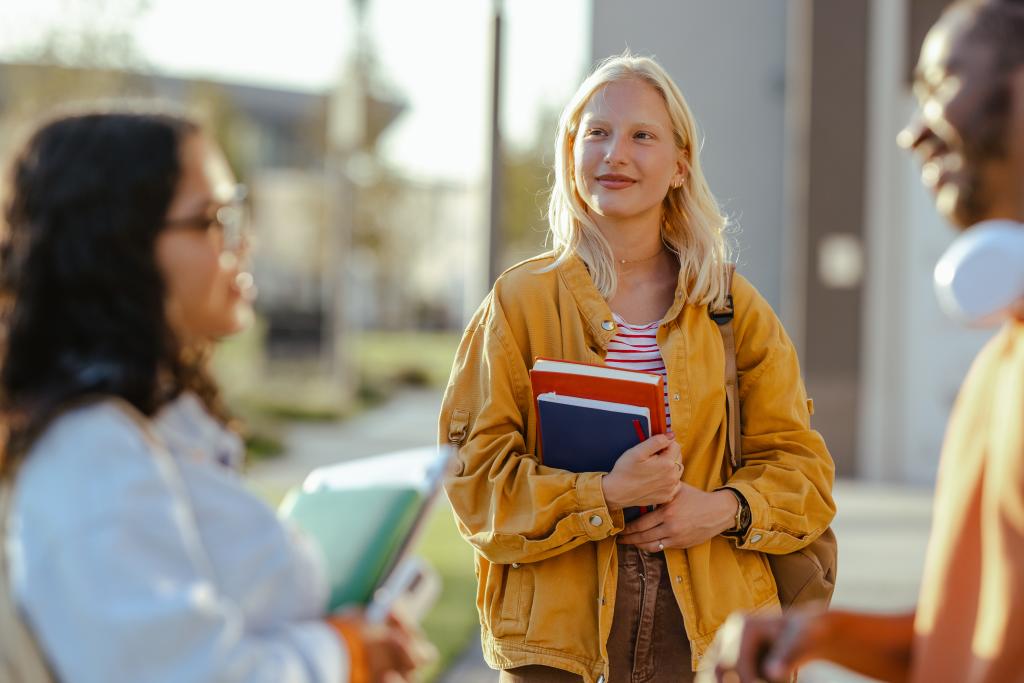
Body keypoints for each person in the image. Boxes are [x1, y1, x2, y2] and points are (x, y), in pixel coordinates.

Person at [438, 52, 836, 683]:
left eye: (641, 136)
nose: (614, 153)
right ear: (572, 152)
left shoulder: (731, 307)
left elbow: (803, 472)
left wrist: (723, 507)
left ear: (680, 165)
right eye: (596, 133)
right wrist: (604, 495)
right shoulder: (519, 304)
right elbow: (475, 484)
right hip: (556, 646)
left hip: (710, 636)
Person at [0, 107, 425, 682]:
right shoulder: (88, 451)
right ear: (118, 248)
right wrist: (342, 652)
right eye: (212, 218)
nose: (243, 240)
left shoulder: (147, 424)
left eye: (238, 211)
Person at [708, 1, 1024, 681]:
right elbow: (966, 643)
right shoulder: (999, 364)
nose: (913, 133)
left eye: (941, 86)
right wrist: (817, 633)